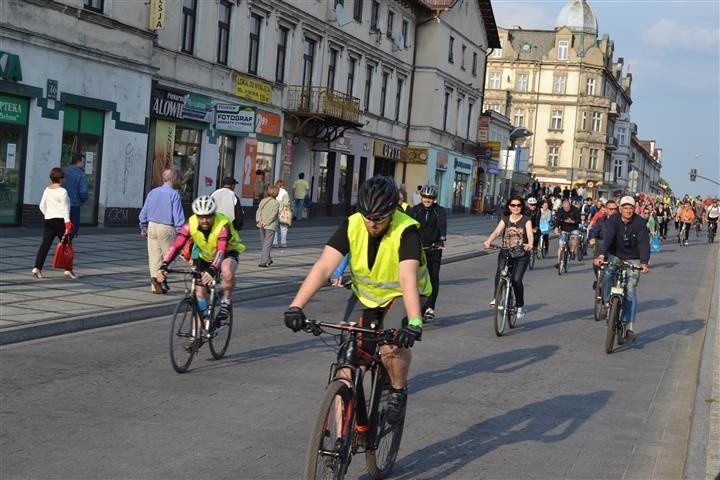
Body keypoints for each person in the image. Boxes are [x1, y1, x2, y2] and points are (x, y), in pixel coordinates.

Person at [284, 176, 431, 424]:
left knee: (390, 346)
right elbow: (323, 267)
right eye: (367, 217)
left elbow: (407, 278)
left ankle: (397, 389)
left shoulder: (408, 231)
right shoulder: (352, 224)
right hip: (366, 295)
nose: (372, 224)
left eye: (379, 219)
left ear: (392, 211)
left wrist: (414, 322)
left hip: (406, 295)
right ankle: (342, 438)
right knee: (347, 356)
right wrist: (296, 306)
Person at [156, 195, 245, 324]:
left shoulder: (222, 224)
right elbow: (177, 246)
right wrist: (164, 266)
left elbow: (221, 250)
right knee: (200, 293)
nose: (204, 220)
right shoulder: (190, 223)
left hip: (227, 252)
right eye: (200, 216)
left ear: (213, 214)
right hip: (206, 255)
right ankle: (201, 323)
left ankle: (226, 302)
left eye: (208, 216)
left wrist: (213, 269)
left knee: (227, 271)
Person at [593, 196, 650, 343]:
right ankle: (606, 303)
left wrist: (644, 262)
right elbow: (608, 238)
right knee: (608, 274)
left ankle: (629, 327)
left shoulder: (640, 222)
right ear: (620, 209)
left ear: (634, 209)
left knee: (630, 290)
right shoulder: (613, 220)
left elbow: (644, 243)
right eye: (625, 208)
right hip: (615, 254)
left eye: (631, 208)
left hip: (634, 257)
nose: (628, 211)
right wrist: (601, 255)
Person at [483, 195, 534, 319]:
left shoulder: (526, 219)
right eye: (513, 205)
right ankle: (496, 298)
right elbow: (497, 232)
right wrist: (488, 241)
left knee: (516, 280)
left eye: (518, 205)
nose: (516, 208)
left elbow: (529, 234)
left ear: (522, 206)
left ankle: (520, 306)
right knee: (500, 272)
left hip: (522, 254)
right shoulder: (505, 218)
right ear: (509, 207)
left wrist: (530, 244)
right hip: (506, 252)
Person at [138, 168, 185, 294]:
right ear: (173, 179)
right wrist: (182, 234)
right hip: (167, 228)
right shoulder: (174, 194)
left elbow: (143, 212)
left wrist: (143, 227)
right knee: (171, 257)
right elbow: (178, 217)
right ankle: (160, 278)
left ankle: (155, 287)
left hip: (152, 226)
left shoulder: (153, 192)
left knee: (154, 258)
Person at [407, 184, 447, 321]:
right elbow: (407, 226)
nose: (427, 200)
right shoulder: (415, 210)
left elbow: (442, 226)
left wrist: (441, 240)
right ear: (421, 197)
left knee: (433, 277)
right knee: (413, 278)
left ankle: (430, 307)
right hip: (417, 248)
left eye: (430, 198)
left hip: (434, 249)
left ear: (434, 198)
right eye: (425, 197)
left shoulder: (439, 211)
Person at [32, 168, 74, 279]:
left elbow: (41, 206)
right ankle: (68, 270)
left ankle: (37, 268)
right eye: (63, 177)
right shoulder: (62, 191)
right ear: (60, 178)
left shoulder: (47, 190)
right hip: (61, 221)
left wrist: (48, 215)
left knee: (45, 245)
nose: (64, 179)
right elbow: (65, 209)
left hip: (49, 220)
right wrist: (68, 223)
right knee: (67, 245)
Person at [588, 199, 618, 288]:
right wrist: (592, 238)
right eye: (611, 209)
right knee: (596, 263)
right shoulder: (601, 220)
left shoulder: (621, 221)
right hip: (602, 245)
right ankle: (599, 278)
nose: (613, 211)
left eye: (615, 209)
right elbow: (594, 230)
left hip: (616, 247)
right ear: (606, 209)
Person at [63, 153, 89, 238]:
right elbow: (84, 192)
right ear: (78, 161)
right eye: (83, 162)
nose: (84, 164)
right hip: (74, 204)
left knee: (64, 226)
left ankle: (64, 245)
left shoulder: (64, 171)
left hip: (62, 203)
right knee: (73, 227)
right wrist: (83, 200)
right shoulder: (81, 174)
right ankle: (65, 246)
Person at [554, 198, 581, 270]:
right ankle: (558, 262)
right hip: (564, 229)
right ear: (562, 206)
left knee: (575, 237)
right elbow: (558, 220)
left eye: (568, 207)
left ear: (570, 205)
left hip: (573, 228)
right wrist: (556, 228)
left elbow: (579, 220)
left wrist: (572, 221)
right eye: (565, 207)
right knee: (561, 246)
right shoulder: (560, 210)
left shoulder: (575, 209)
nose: (566, 209)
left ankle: (572, 251)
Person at [256, 184, 279, 267]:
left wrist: (260, 220)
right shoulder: (276, 203)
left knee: (264, 243)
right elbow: (273, 214)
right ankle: (263, 262)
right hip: (270, 226)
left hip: (261, 225)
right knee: (267, 244)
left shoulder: (263, 200)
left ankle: (268, 259)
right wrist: (267, 222)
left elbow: (258, 211)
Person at [273, 179, 291, 248]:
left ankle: (275, 242)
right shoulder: (285, 192)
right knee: (283, 228)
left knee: (275, 228)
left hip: (275, 212)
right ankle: (283, 243)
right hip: (284, 212)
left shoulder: (274, 191)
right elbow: (286, 203)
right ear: (282, 185)